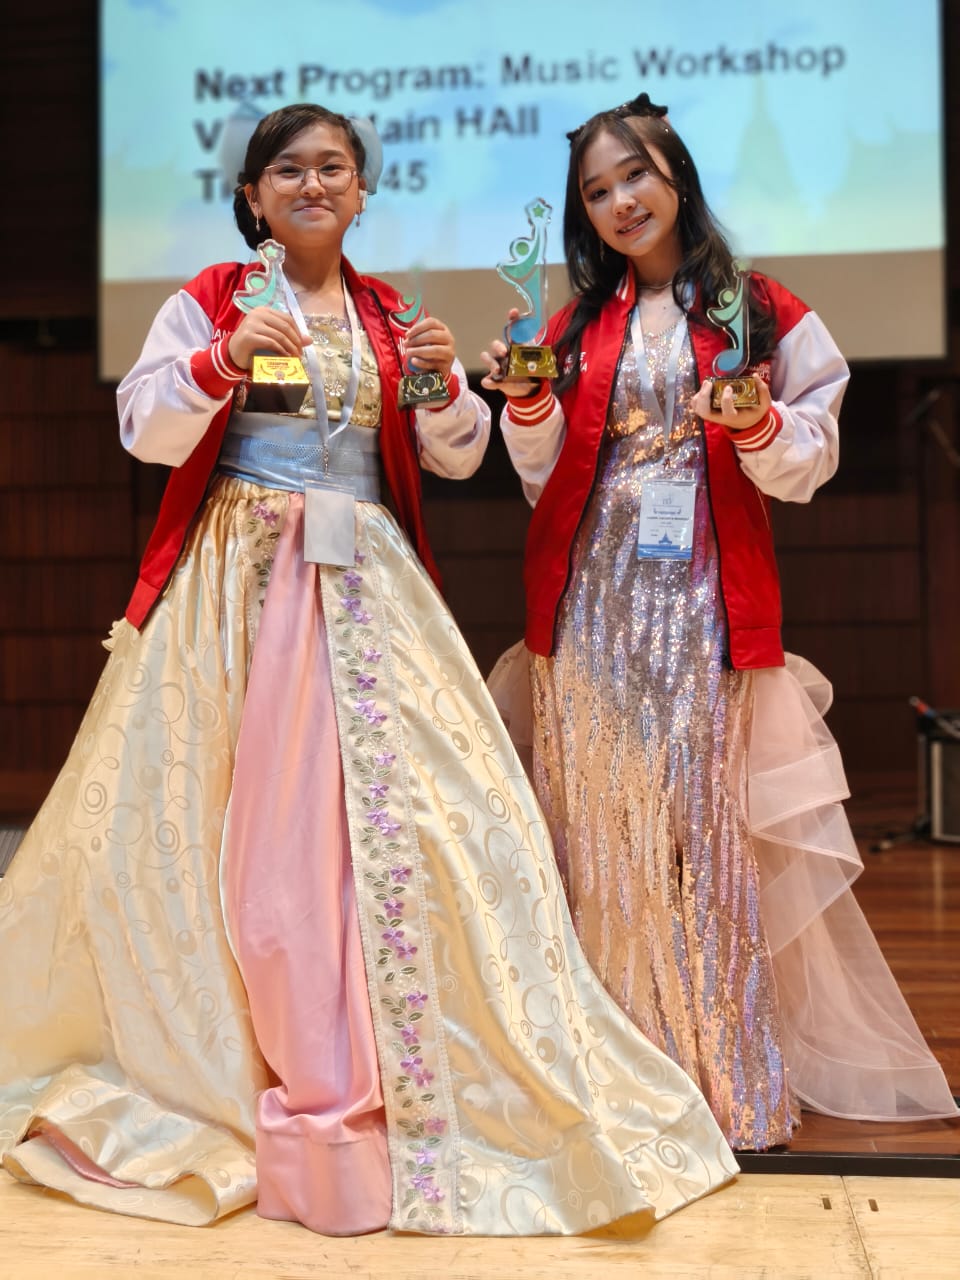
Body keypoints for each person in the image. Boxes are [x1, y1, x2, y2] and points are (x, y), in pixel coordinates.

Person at [0, 103, 737, 1237]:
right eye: (289, 170)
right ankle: (230, 1062)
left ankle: (414, 1065)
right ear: (253, 196)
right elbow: (146, 428)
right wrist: (215, 361)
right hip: (239, 588)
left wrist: (441, 391)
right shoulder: (212, 297)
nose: (313, 184)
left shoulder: (390, 314)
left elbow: (455, 459)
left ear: (360, 192)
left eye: (334, 168)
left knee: (426, 820)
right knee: (226, 829)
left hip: (367, 578)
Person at [482, 93, 959, 1152]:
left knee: (705, 838)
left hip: (702, 602)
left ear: (678, 177)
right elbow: (541, 475)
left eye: (635, 176)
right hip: (590, 603)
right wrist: (526, 404)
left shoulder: (761, 308)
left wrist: (759, 421)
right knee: (597, 838)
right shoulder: (571, 327)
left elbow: (809, 459)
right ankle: (619, 1079)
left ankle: (732, 1083)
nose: (620, 201)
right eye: (597, 191)